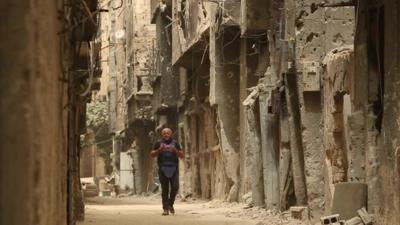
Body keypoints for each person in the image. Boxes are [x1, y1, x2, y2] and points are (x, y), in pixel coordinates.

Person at [150, 127, 184, 216]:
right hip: (162, 169)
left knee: (175, 187)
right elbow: (152, 154)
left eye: (168, 133)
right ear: (162, 134)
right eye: (164, 133)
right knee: (165, 190)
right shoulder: (158, 143)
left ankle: (170, 204)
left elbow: (182, 155)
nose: (166, 134)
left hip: (174, 169)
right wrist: (159, 150)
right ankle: (165, 209)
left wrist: (175, 150)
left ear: (171, 134)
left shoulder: (175, 143)